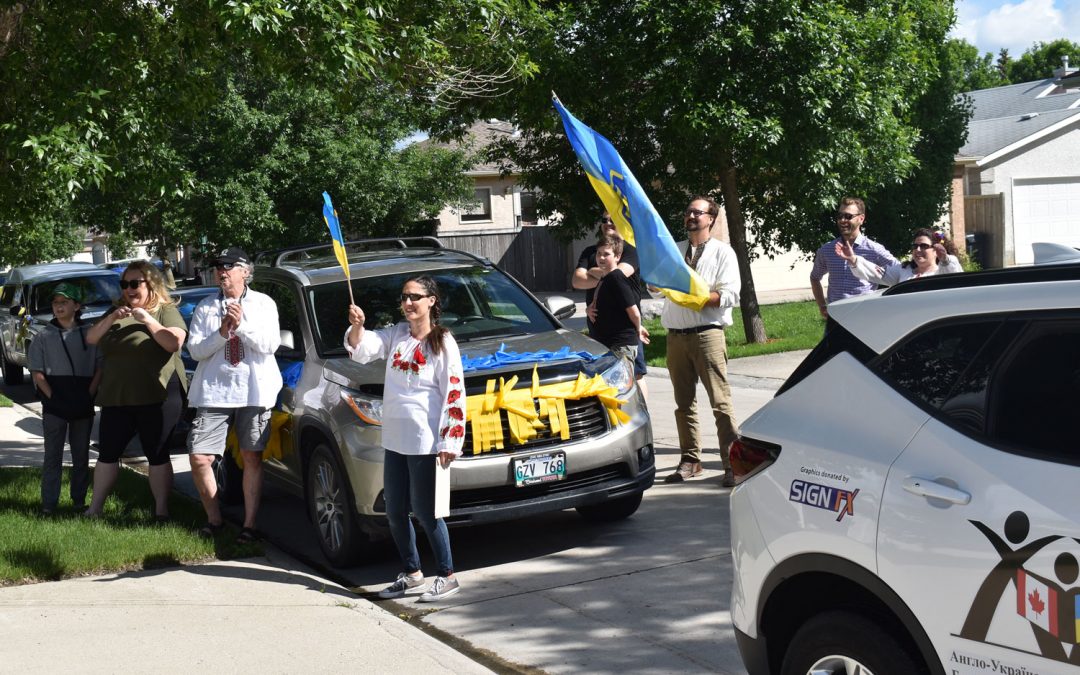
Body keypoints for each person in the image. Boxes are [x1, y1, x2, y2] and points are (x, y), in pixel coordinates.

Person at [345, 275, 466, 603]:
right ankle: (412, 573)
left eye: (415, 296)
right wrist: (357, 326)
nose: (408, 303)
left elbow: (454, 393)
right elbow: (363, 349)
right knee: (395, 511)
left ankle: (446, 574)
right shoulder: (397, 334)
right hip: (395, 438)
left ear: (431, 301)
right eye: (404, 297)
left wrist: (449, 441)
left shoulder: (443, 341)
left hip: (425, 441)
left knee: (427, 512)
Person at [186, 248, 282, 543]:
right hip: (214, 392)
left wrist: (242, 326)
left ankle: (249, 526)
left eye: (228, 266)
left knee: (251, 457)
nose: (221, 271)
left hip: (254, 391)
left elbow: (270, 345)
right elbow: (196, 350)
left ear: (245, 271)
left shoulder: (263, 303)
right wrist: (223, 332)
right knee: (200, 457)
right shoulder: (205, 307)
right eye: (217, 267)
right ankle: (215, 520)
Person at [85, 261, 188, 520]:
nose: (129, 289)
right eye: (124, 284)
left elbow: (174, 342)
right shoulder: (117, 310)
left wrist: (147, 320)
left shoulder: (164, 310)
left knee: (156, 454)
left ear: (150, 284)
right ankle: (94, 510)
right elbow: (91, 338)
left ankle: (162, 511)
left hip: (158, 395)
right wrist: (111, 317)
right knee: (108, 453)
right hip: (117, 396)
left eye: (134, 283)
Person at [660, 196, 741, 487]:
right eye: (689, 212)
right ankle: (691, 460)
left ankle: (733, 462)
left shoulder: (723, 253)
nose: (692, 216)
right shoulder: (674, 251)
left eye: (698, 212)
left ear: (711, 218)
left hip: (707, 335)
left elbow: (730, 294)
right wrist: (656, 281)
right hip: (676, 337)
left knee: (720, 403)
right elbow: (658, 290)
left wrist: (699, 298)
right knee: (683, 404)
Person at [28, 282, 101, 515]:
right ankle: (49, 504)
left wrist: (88, 394)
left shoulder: (90, 334)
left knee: (81, 456)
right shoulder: (43, 336)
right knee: (53, 456)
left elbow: (100, 368)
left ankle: (79, 501)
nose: (58, 307)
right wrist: (52, 398)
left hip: (82, 403)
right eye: (55, 303)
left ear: (76, 305)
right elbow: (37, 373)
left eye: (64, 302)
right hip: (54, 407)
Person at [574, 212, 648, 395]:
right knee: (605, 378)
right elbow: (577, 281)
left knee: (633, 377)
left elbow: (618, 275)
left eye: (612, 220)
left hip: (625, 329)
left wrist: (592, 271)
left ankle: (641, 415)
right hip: (599, 330)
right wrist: (604, 273)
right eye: (604, 220)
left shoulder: (630, 250)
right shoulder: (590, 251)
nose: (608, 223)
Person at [809, 197, 898, 319]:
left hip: (863, 318)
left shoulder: (874, 250)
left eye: (848, 216)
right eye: (840, 216)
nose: (842, 220)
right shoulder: (827, 250)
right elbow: (815, 277)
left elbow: (899, 273)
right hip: (835, 318)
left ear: (861, 219)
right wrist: (822, 305)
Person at [585, 235, 650, 363]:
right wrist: (588, 310)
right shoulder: (605, 278)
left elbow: (633, 311)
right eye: (599, 253)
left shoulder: (616, 278)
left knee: (619, 381)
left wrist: (638, 328)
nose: (601, 257)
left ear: (617, 257)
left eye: (606, 254)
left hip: (620, 346)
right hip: (607, 344)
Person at [835, 228, 963, 286]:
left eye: (924, 246)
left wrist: (945, 259)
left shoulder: (941, 271)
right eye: (915, 246)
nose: (918, 250)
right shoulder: (904, 270)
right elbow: (878, 273)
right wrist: (853, 259)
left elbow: (956, 280)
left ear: (935, 250)